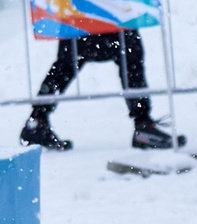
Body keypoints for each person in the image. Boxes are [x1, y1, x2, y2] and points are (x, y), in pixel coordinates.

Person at [17, 28, 181, 151]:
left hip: (79, 1)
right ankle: (143, 125)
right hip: (103, 1)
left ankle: (37, 121)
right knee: (129, 54)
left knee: (67, 62)